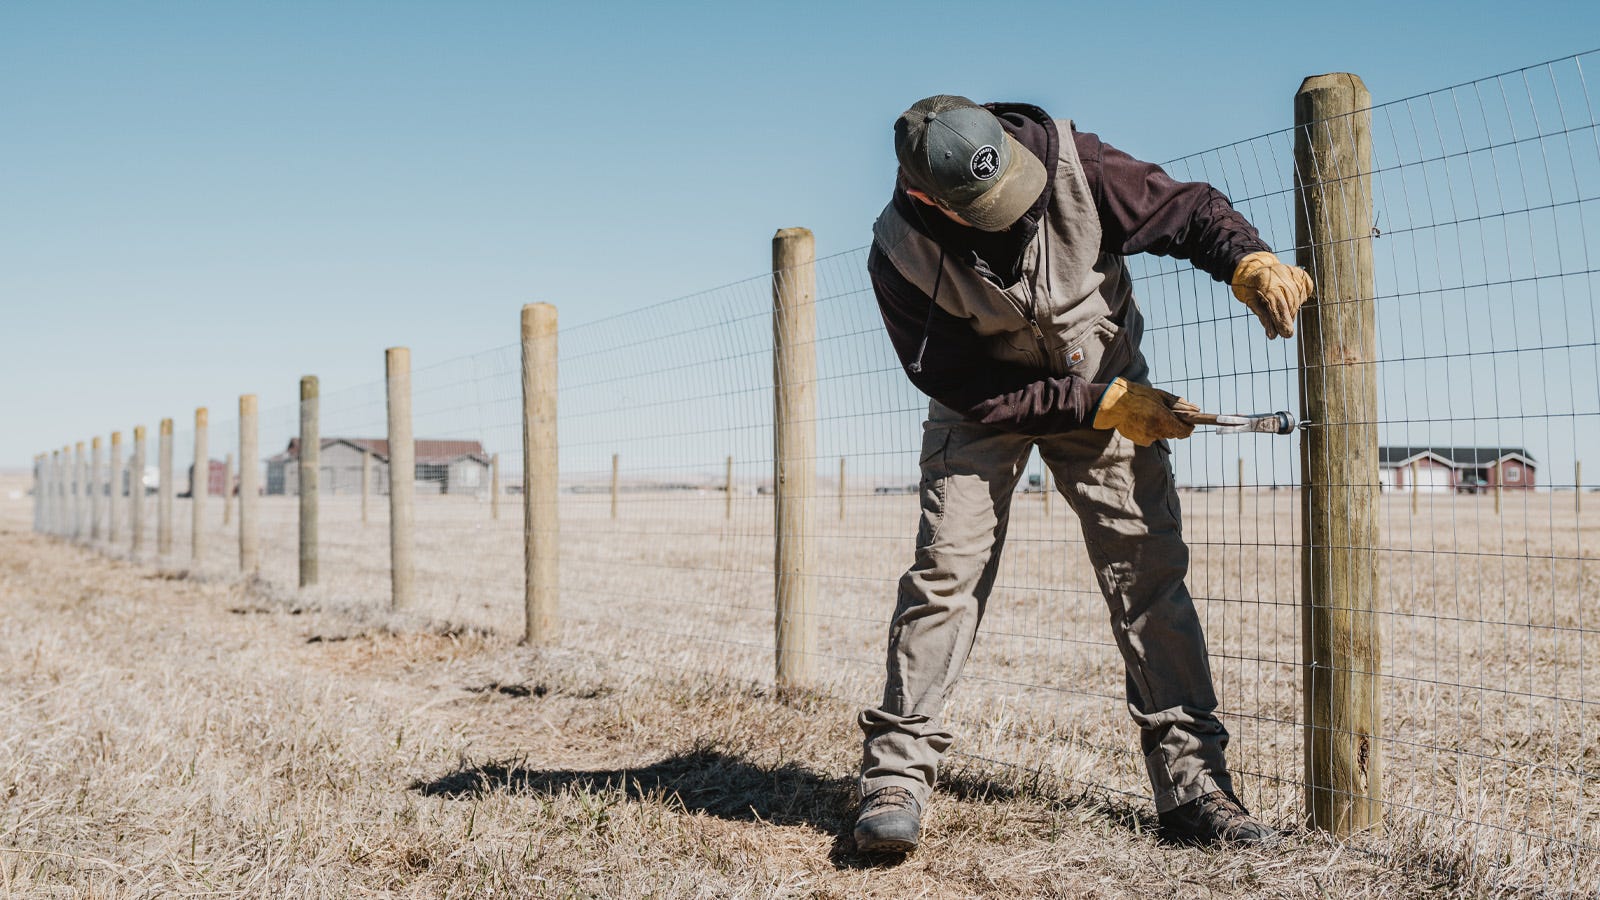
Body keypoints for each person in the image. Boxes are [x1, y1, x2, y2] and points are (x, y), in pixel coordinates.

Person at [853, 95, 1314, 853]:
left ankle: (1195, 787)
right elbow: (963, 384)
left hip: (1108, 382)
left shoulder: (1072, 161)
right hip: (987, 407)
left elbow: (1187, 209)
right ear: (925, 196)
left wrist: (1246, 257)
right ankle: (894, 777)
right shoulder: (899, 254)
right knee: (945, 574)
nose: (1014, 209)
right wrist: (1096, 405)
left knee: (1149, 575)